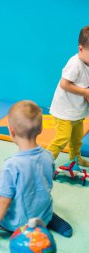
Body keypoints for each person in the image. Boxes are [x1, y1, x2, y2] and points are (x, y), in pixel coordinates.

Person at [0, 101, 72, 243]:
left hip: (20, 222)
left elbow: (4, 202)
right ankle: (50, 220)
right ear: (41, 129)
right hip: (44, 213)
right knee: (36, 199)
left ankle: (18, 229)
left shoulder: (11, 165)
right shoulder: (48, 156)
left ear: (11, 132)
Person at [47, 25, 89, 166]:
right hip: (64, 111)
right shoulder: (75, 64)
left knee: (77, 139)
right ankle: (44, 162)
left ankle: (75, 159)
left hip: (78, 110)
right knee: (62, 137)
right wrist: (85, 92)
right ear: (80, 49)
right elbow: (65, 84)